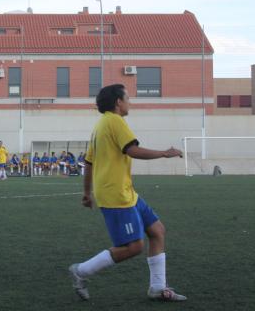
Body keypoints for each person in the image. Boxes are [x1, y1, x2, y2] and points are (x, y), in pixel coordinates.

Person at [69, 84, 186, 302]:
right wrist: (164, 153)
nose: (130, 102)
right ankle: (81, 271)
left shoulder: (100, 125)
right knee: (133, 246)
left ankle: (157, 288)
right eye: (128, 98)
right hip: (116, 195)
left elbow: (89, 162)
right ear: (118, 102)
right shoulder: (115, 121)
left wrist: (87, 192)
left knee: (157, 231)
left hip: (125, 192)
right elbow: (132, 150)